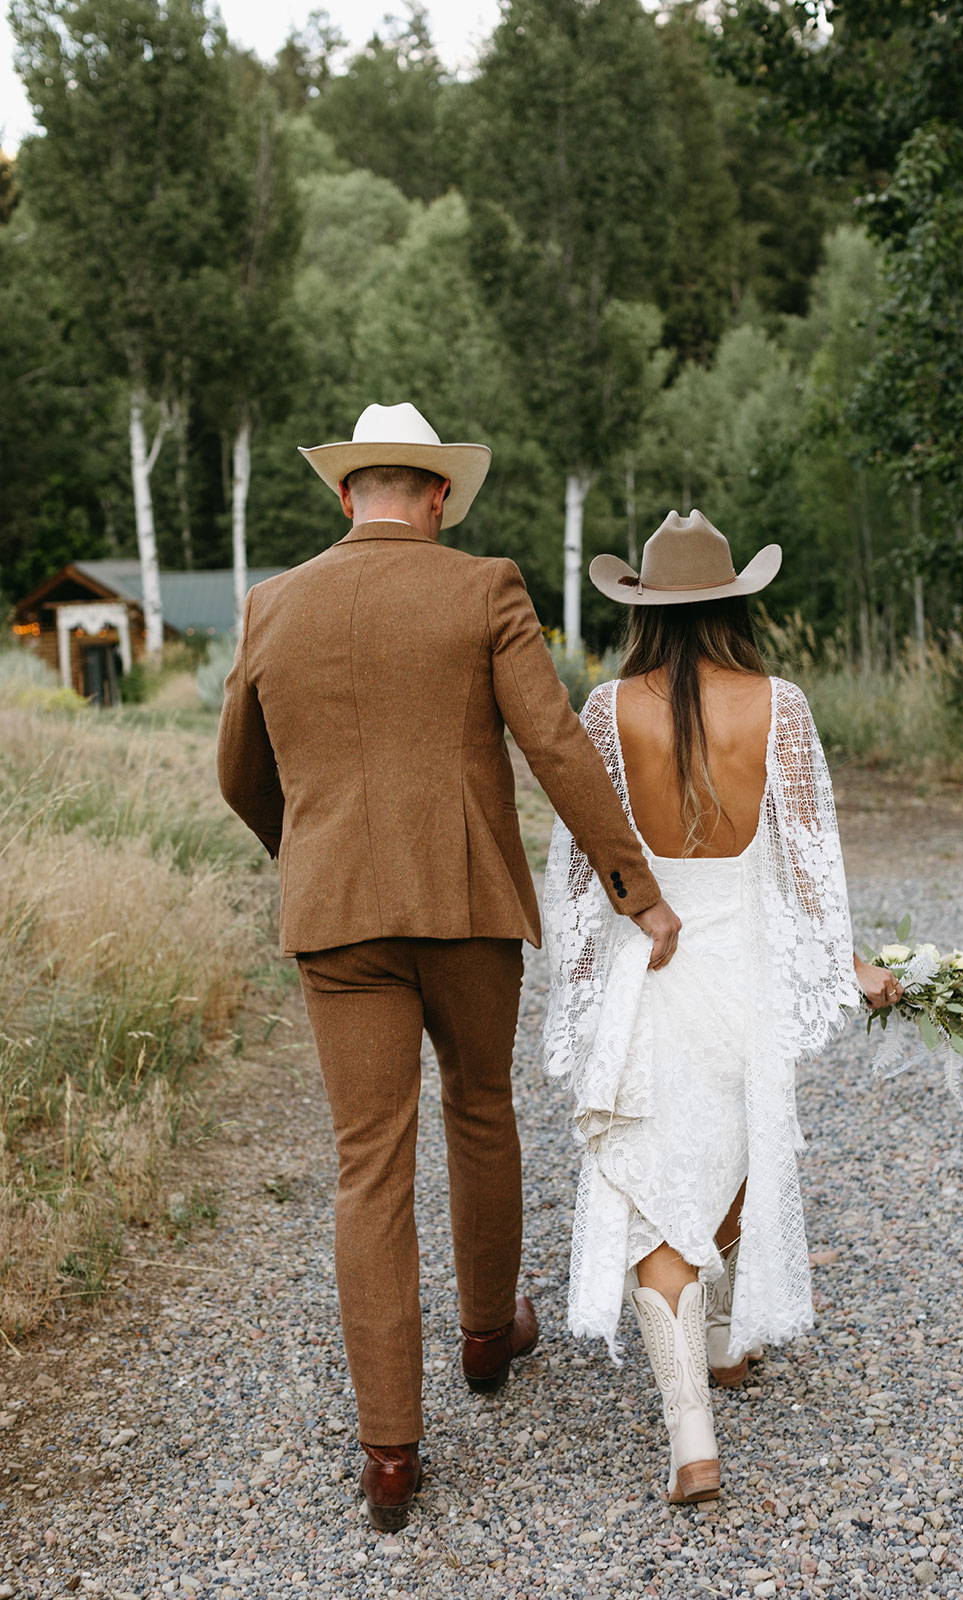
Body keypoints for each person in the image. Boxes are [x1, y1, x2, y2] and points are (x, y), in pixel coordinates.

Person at [215, 402, 682, 1532]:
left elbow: (237, 772)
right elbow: (554, 745)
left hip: (338, 920)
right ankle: (485, 1335)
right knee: (479, 1108)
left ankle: (388, 1455)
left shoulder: (270, 604)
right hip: (468, 906)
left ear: (344, 496)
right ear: (433, 498)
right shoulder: (484, 589)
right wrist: (637, 888)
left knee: (366, 1163)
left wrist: (312, 849)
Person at [541, 510, 902, 1506]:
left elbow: (581, 870)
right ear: (736, 600)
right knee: (734, 1143)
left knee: (662, 1186)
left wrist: (580, 989)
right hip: (740, 965)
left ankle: (692, 1431)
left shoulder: (607, 709)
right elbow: (807, 867)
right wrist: (849, 963)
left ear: (643, 608)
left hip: (649, 961)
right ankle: (714, 1348)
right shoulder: (777, 705)